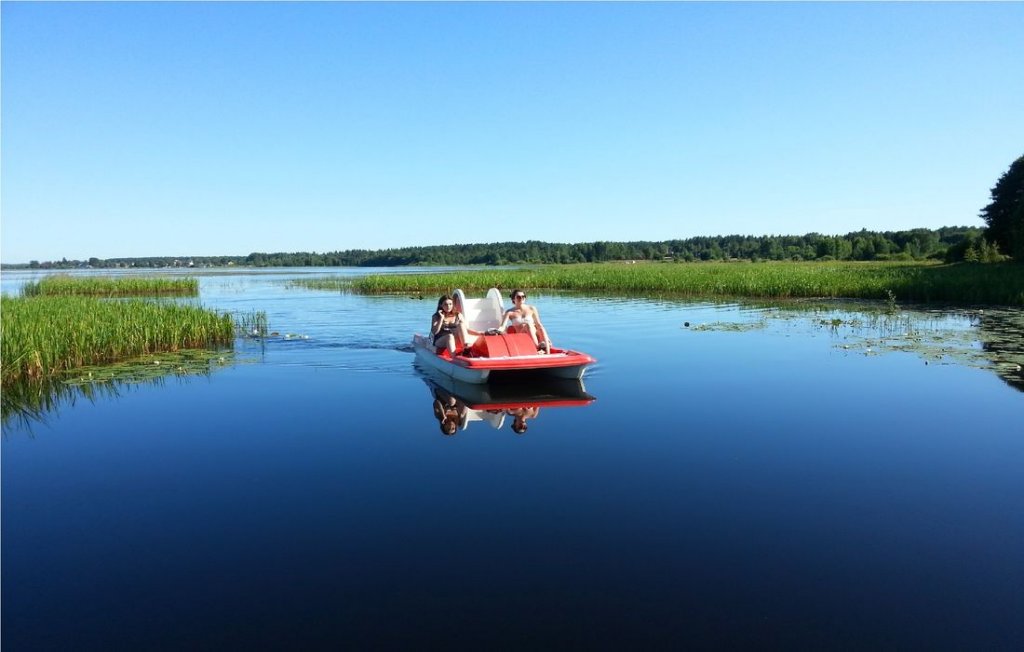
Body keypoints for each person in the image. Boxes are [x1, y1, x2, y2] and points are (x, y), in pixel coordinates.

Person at [497, 289, 551, 353]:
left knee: (540, 327)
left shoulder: (532, 308)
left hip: (534, 334)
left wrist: (547, 338)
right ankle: (537, 347)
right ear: (513, 299)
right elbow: (503, 326)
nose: (521, 298)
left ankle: (548, 352)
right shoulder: (510, 312)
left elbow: (538, 324)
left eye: (523, 296)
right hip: (521, 336)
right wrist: (497, 331)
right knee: (528, 325)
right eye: (518, 297)